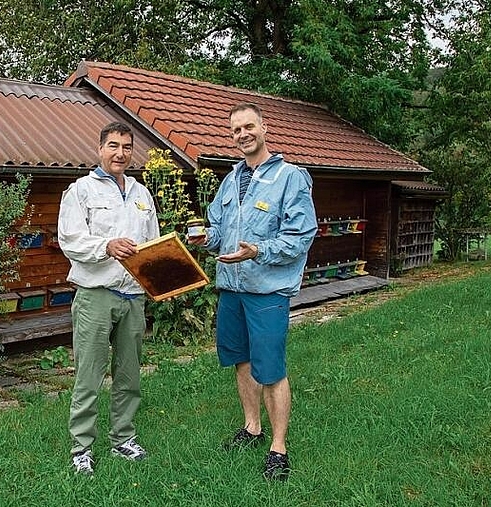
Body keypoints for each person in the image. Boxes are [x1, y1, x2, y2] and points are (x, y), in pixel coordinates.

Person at [188, 102, 317, 481]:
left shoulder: (291, 178)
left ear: (264, 128)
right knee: (242, 361)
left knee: (271, 369)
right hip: (231, 288)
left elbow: (300, 236)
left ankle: (278, 447)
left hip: (267, 291)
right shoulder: (230, 181)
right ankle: (252, 428)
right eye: (235, 130)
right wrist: (203, 237)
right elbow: (217, 230)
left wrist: (259, 251)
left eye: (248, 127)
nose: (242, 134)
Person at [58, 121, 160, 475]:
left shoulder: (141, 194)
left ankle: (123, 439)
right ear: (99, 148)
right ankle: (81, 447)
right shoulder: (80, 191)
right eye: (113, 146)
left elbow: (152, 245)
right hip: (96, 296)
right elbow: (69, 240)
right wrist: (107, 246)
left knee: (129, 375)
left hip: (133, 297)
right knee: (89, 376)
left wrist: (161, 276)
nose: (120, 153)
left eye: (127, 147)